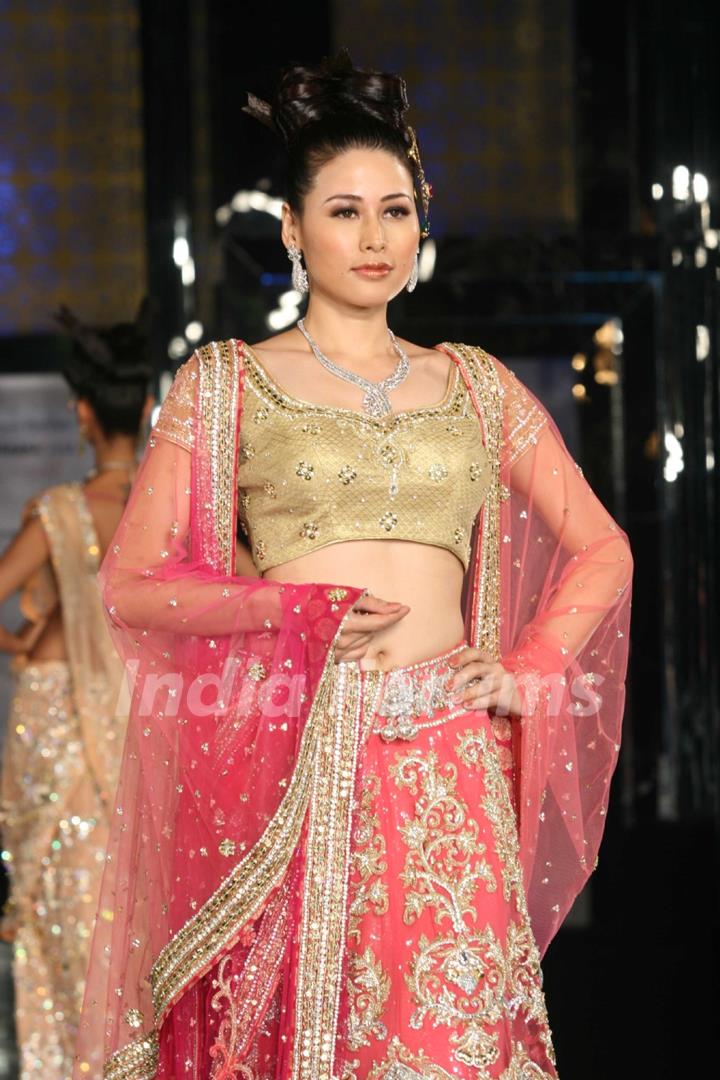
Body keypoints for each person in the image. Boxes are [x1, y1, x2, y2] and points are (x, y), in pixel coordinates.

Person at [76, 53, 632, 1080]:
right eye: (344, 212)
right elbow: (133, 583)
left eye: (396, 210)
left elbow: (603, 545)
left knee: (456, 1042)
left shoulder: (476, 383)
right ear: (293, 230)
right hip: (301, 761)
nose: (374, 238)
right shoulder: (228, 383)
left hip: (449, 769)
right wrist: (291, 609)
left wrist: (534, 662)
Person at [0, 302, 153, 1079]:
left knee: (68, 932)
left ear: (82, 411)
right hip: (153, 743)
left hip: (60, 746)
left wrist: (30, 639)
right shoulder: (181, 521)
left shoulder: (62, 513)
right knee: (141, 946)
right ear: (152, 407)